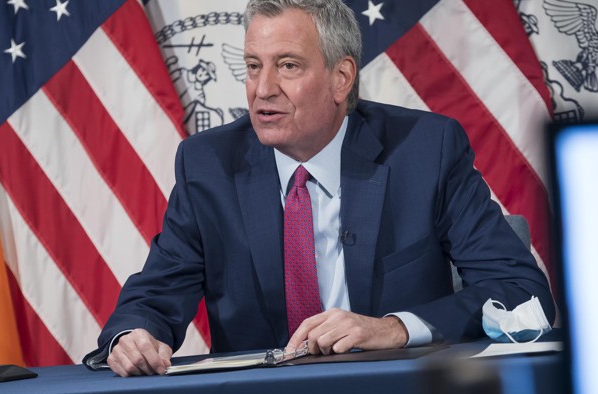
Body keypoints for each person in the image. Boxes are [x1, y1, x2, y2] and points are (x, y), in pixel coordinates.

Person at [83, 0, 554, 377]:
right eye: (252, 66)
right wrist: (134, 335)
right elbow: (156, 293)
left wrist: (395, 328)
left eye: (287, 66)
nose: (262, 89)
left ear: (340, 77)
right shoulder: (209, 165)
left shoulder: (425, 152)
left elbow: (523, 293)